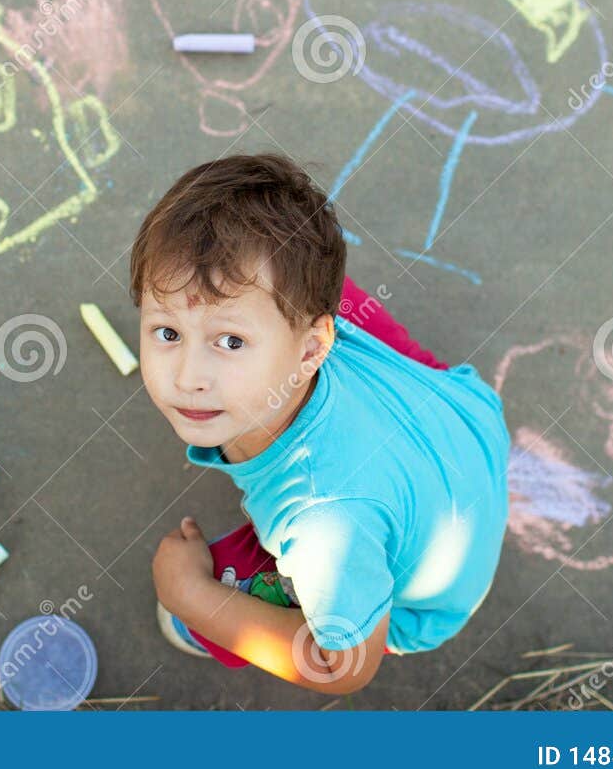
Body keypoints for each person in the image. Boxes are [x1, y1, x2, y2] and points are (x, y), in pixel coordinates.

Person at [132, 153, 510, 694]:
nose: (189, 377)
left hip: (424, 601)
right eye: (167, 332)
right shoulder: (308, 327)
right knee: (297, 281)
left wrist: (190, 594)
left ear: (312, 349)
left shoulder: (322, 520)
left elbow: (344, 667)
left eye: (231, 341)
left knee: (225, 600)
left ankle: (206, 616)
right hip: (465, 422)